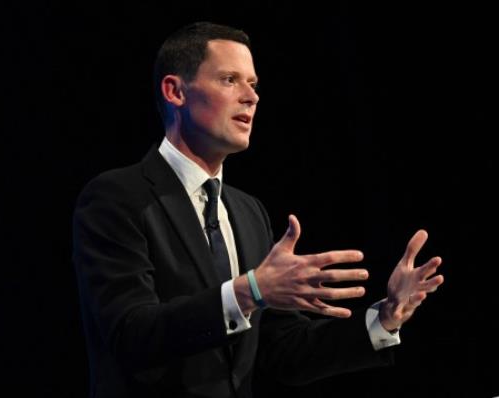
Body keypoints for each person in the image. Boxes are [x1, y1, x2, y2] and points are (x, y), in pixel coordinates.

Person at [72, 21, 444, 398]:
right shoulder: (117, 198)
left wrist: (383, 319)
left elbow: (285, 352)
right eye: (230, 79)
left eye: (254, 84)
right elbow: (131, 334)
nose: (251, 97)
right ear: (175, 91)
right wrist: (249, 291)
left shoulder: (248, 212)